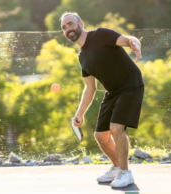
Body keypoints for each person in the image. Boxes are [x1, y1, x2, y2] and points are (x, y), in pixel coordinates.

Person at [60, 12, 144, 188]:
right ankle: (117, 167)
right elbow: (90, 88)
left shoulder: (101, 35)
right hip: (112, 92)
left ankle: (125, 173)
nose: (68, 29)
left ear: (80, 23)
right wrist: (79, 113)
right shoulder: (82, 57)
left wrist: (135, 45)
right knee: (100, 136)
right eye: (64, 27)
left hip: (130, 84)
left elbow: (128, 39)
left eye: (70, 24)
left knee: (116, 128)